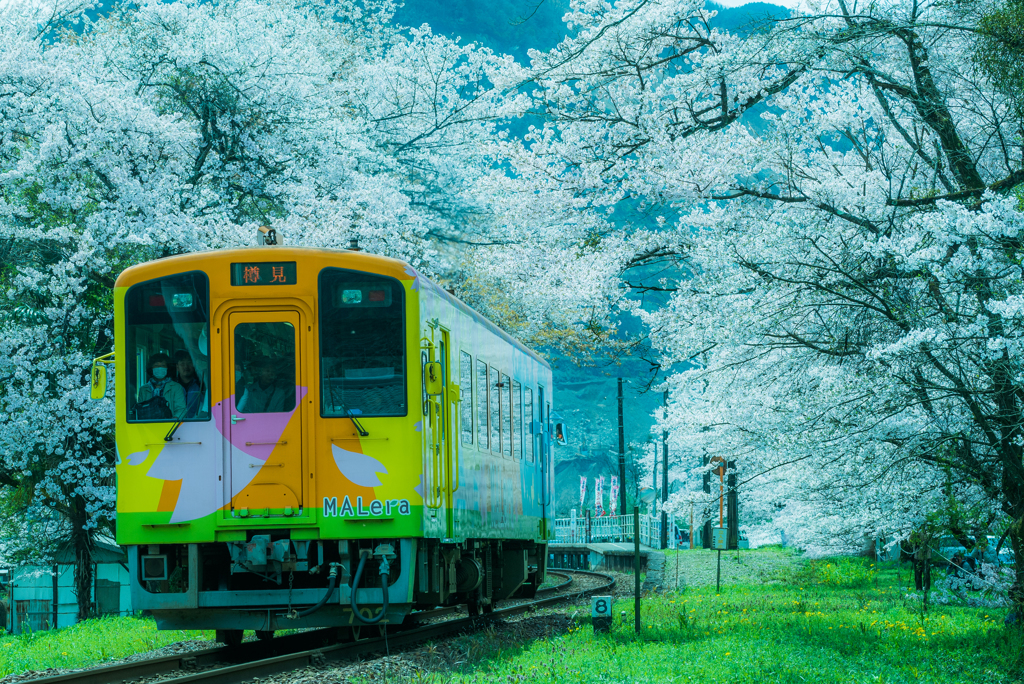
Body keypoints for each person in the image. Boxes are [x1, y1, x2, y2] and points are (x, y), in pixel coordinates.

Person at [137, 352, 186, 420]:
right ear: (151, 368)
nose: (160, 368)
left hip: (170, 427)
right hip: (148, 427)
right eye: (156, 365)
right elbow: (140, 411)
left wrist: (172, 421)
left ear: (167, 368)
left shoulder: (176, 387)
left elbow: (181, 409)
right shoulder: (143, 389)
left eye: (163, 365)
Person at [174, 350, 206, 419]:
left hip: (198, 424)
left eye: (189, 362)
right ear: (177, 367)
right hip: (176, 426)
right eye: (182, 364)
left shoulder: (202, 384)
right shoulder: (172, 386)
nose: (186, 367)